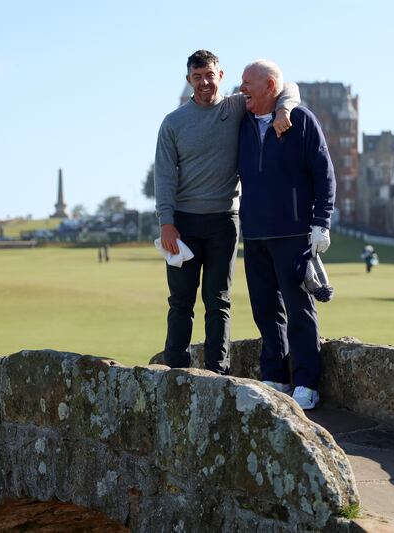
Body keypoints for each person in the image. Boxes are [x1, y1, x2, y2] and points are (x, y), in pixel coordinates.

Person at [154, 50, 300, 374]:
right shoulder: (173, 123)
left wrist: (285, 109)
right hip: (183, 222)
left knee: (218, 300)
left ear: (220, 76)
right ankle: (174, 371)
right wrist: (166, 223)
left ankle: (217, 372)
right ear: (188, 80)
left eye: (209, 75)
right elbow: (163, 176)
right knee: (180, 301)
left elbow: (286, 86)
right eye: (197, 77)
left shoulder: (237, 107)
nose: (204, 83)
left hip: (224, 220)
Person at [237, 60, 335, 409]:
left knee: (299, 308)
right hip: (255, 233)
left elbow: (324, 174)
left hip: (293, 232)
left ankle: (307, 382)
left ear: (270, 85)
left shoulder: (302, 120)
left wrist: (321, 222)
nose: (242, 87)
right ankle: (275, 376)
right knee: (265, 310)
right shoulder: (241, 119)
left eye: (248, 82)